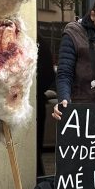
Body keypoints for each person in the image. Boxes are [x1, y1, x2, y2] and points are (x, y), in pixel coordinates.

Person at [36, 37, 56, 177]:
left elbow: (49, 75)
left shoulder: (39, 42)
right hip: (37, 99)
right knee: (36, 148)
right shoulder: (40, 41)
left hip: (36, 99)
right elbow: (49, 75)